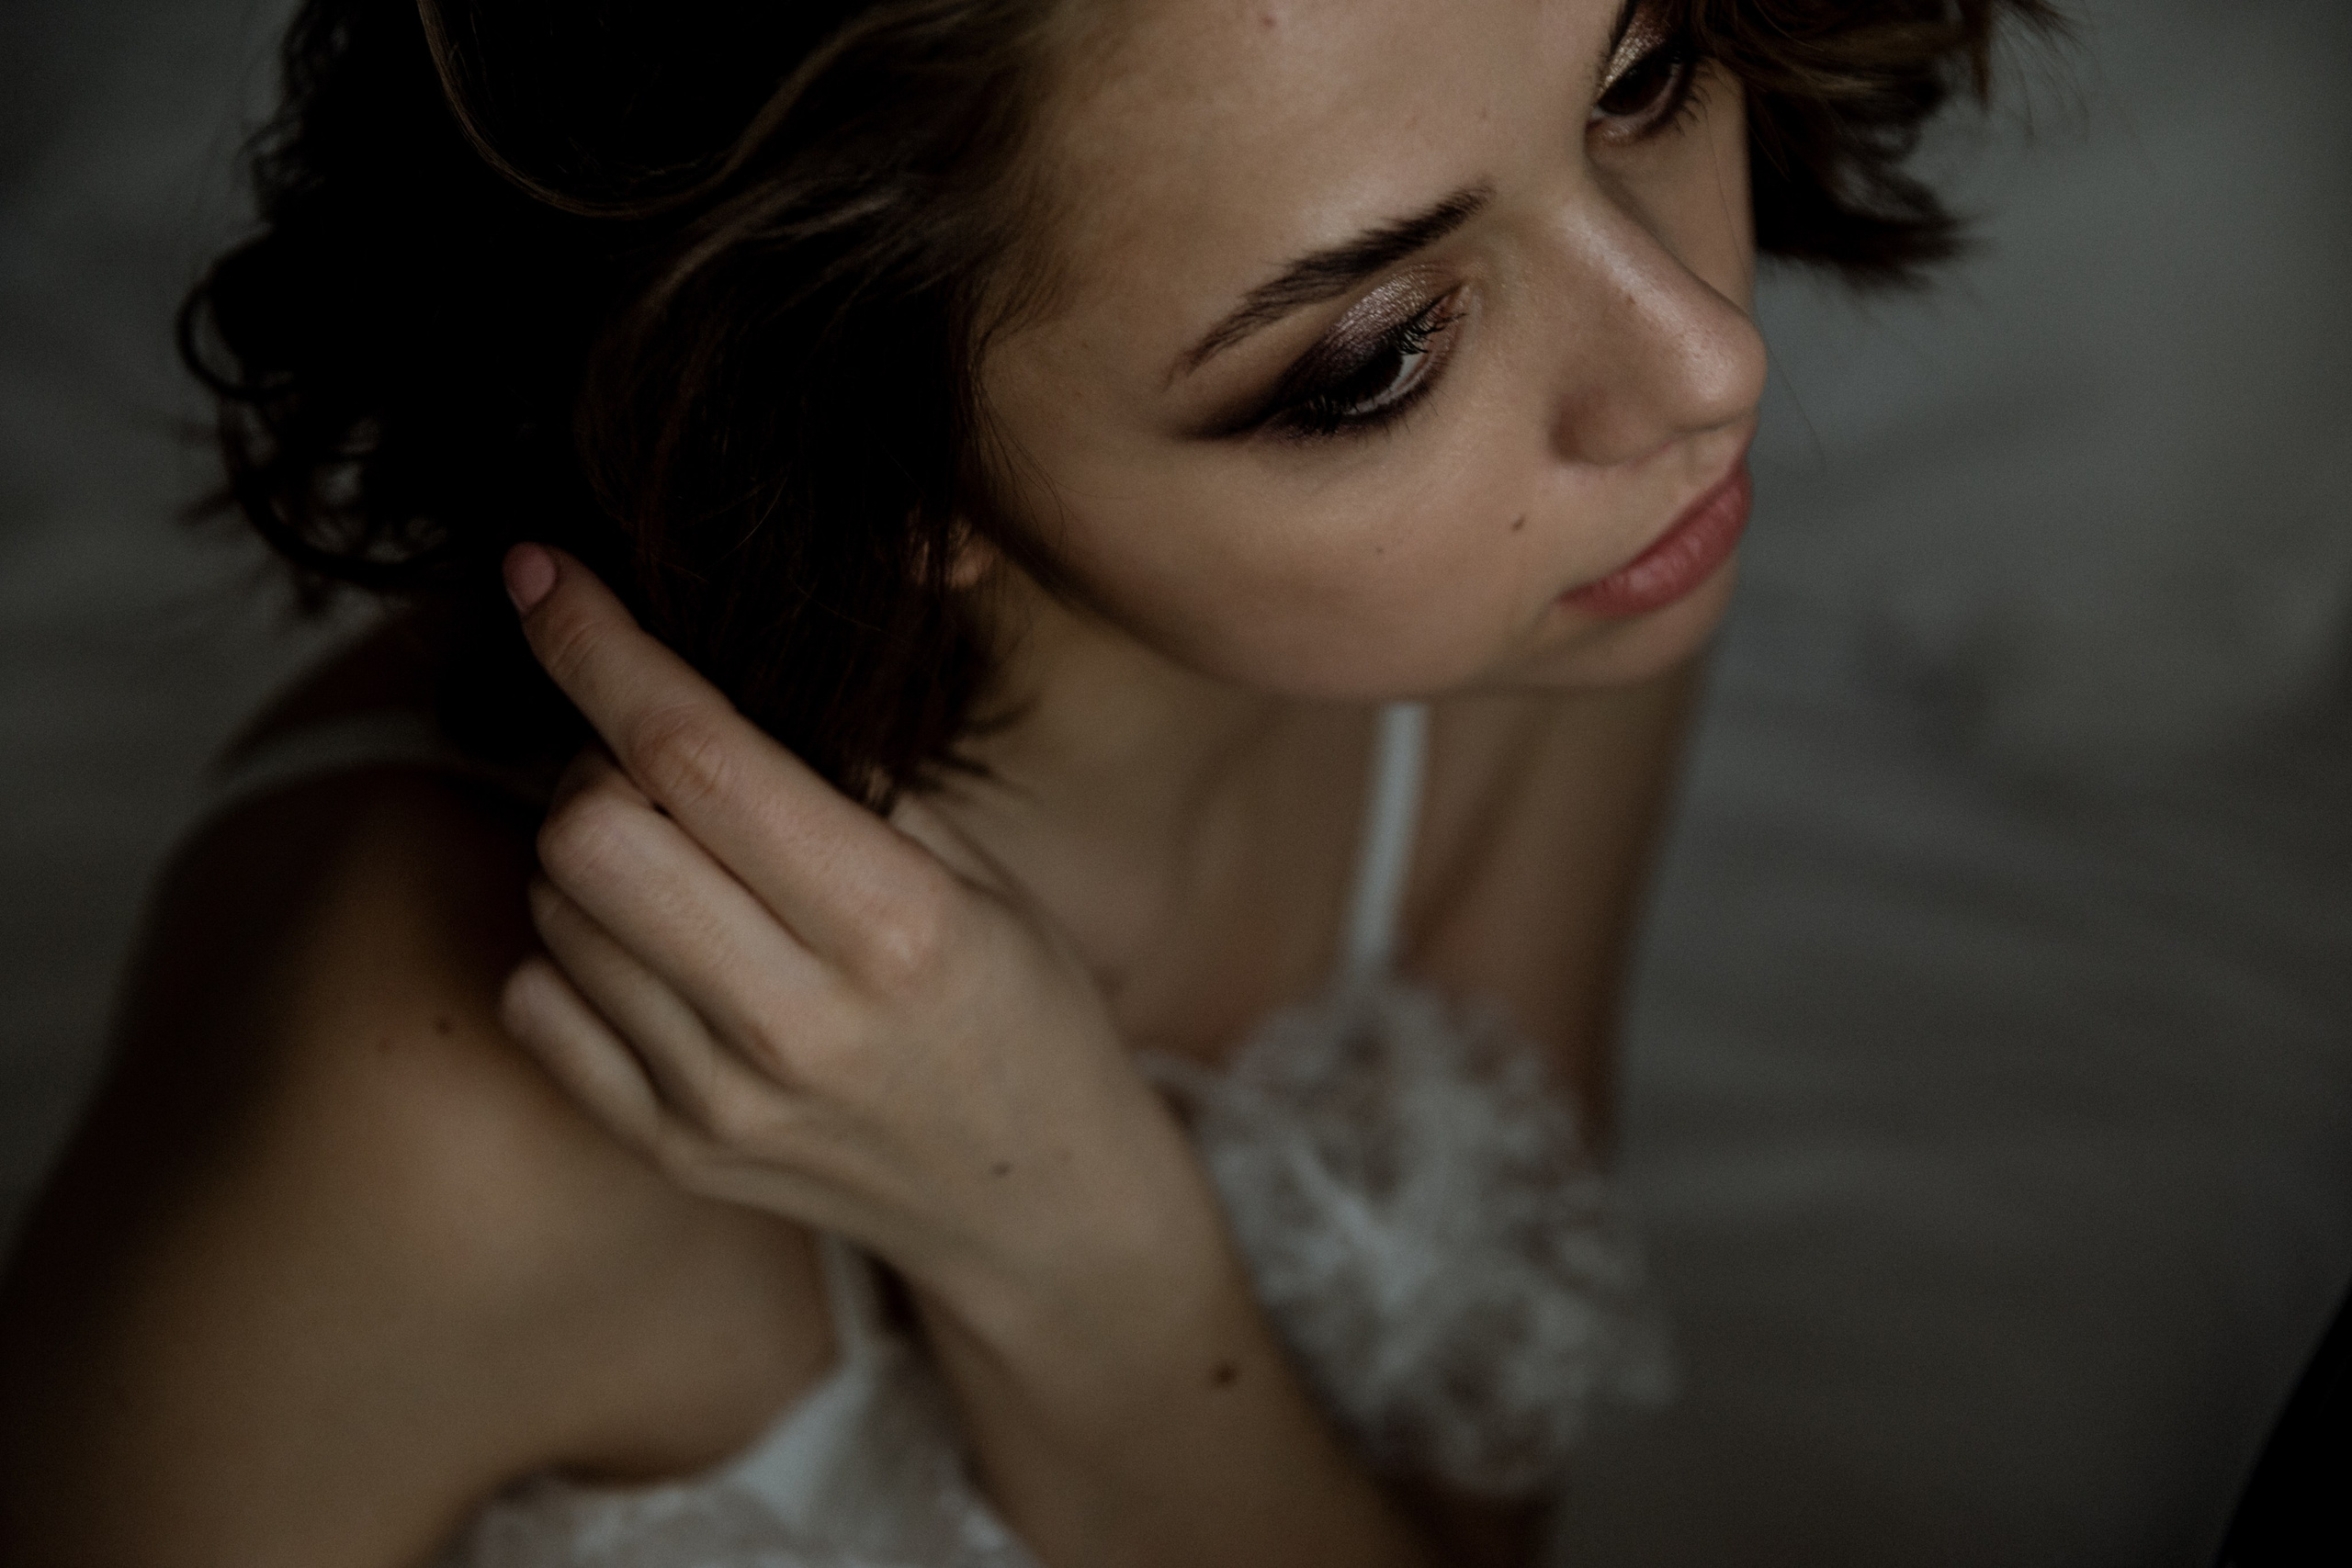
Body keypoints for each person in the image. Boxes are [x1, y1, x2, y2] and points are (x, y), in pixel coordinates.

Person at [0, 0, 2054, 1563]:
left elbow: (1461, 1524)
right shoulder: (425, 1098)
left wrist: (1069, 1236)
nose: (1704, 360)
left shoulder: (1546, 619)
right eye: (1375, 356)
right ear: (875, 458)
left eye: (1633, 76)